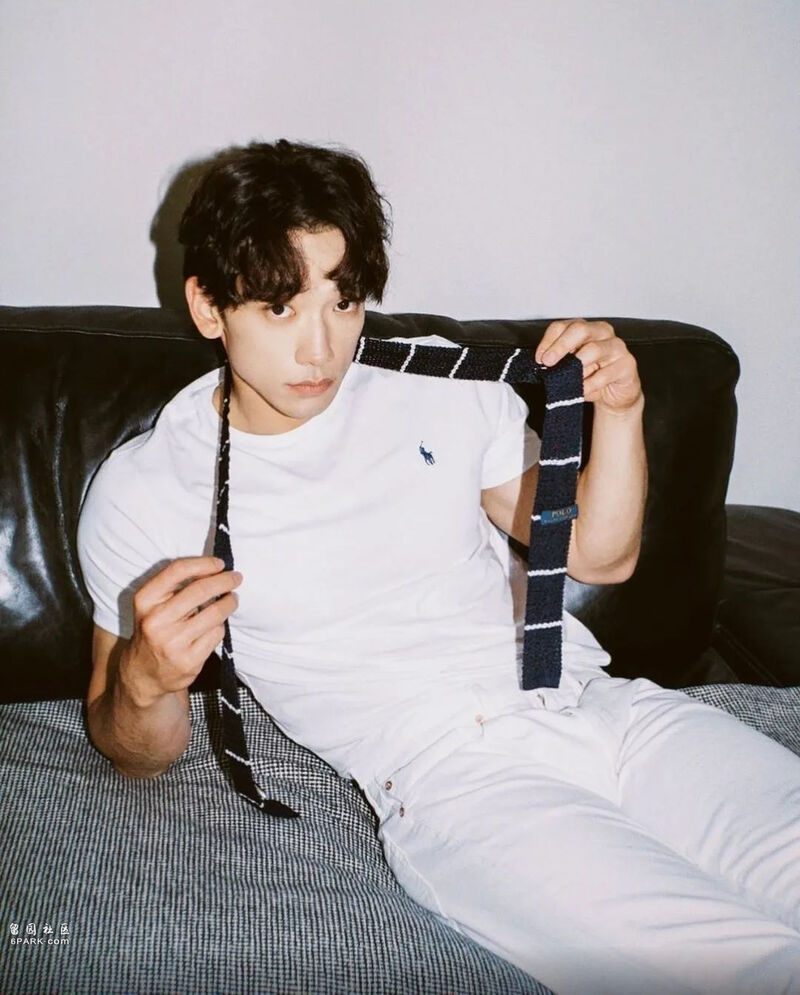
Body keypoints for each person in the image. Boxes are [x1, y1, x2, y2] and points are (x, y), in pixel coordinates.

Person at [77, 139, 800, 994]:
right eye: (278, 308)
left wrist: (622, 410)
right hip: (459, 784)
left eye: (343, 300)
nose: (319, 350)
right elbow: (137, 753)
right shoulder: (151, 487)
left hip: (611, 714)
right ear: (208, 306)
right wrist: (145, 679)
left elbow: (601, 556)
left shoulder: (439, 379)